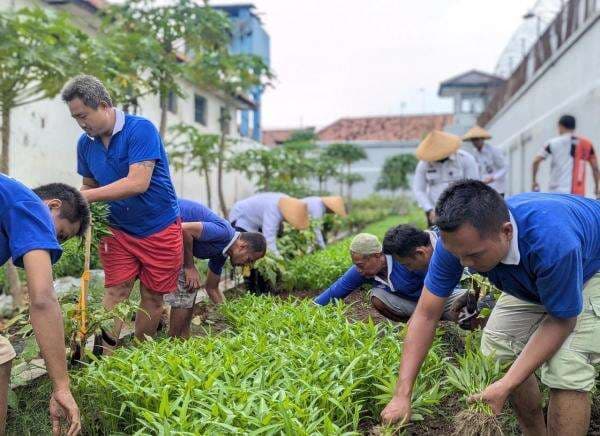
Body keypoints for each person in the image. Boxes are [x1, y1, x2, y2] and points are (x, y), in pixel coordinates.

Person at [381, 180, 600, 436]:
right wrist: (401, 394)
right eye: (458, 255)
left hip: (590, 268)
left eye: (474, 256)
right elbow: (426, 314)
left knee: (566, 365)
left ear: (506, 231)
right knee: (497, 351)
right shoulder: (456, 244)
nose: (465, 263)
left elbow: (562, 320)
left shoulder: (553, 243)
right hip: (534, 275)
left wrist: (506, 385)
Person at [62, 75, 182, 352]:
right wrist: (80, 205)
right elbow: (89, 185)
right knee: (115, 292)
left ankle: (139, 356)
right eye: (75, 118)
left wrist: (82, 196)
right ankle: (103, 356)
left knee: (152, 296)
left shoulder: (140, 130)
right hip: (118, 230)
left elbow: (138, 182)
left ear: (103, 105)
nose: (81, 123)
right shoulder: (86, 144)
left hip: (159, 227)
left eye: (84, 115)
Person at [0, 176, 90, 436]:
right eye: (60, 233)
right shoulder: (31, 205)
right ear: (52, 205)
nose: (54, 243)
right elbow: (42, 298)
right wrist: (61, 386)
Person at [166, 198, 267, 338]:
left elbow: (212, 288)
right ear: (242, 246)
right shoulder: (224, 233)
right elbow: (184, 230)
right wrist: (190, 266)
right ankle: (173, 340)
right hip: (162, 217)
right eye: (249, 259)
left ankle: (183, 339)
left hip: (169, 232)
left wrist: (235, 320)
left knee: (191, 286)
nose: (246, 265)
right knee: (185, 282)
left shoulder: (223, 253)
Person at [314, 233, 464, 322]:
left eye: (360, 264)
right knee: (377, 297)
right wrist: (309, 309)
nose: (358, 270)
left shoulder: (404, 259)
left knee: (471, 309)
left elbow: (442, 278)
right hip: (416, 306)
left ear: (377, 256)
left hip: (443, 298)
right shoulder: (363, 271)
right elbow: (335, 291)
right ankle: (416, 327)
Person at [412, 130, 479, 227]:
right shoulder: (424, 164)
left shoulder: (465, 159)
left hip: (462, 210)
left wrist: (462, 208)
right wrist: (429, 209)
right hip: (434, 212)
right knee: (436, 240)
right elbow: (418, 189)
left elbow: (474, 186)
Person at [532, 114, 600, 197]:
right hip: (578, 195)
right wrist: (597, 188)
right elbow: (595, 169)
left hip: (556, 193)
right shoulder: (587, 144)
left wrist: (534, 181)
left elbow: (536, 161)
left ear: (560, 126)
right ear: (574, 127)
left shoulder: (552, 143)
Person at [229, 192, 309, 257]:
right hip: (241, 217)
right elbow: (269, 238)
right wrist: (278, 258)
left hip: (255, 220)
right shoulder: (273, 209)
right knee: (242, 249)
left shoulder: (286, 202)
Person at [463, 125, 507, 196]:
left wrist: (494, 177)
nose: (475, 142)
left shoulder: (493, 151)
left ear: (482, 139)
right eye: (473, 140)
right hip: (484, 189)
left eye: (477, 139)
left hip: (498, 189)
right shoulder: (474, 153)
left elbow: (505, 167)